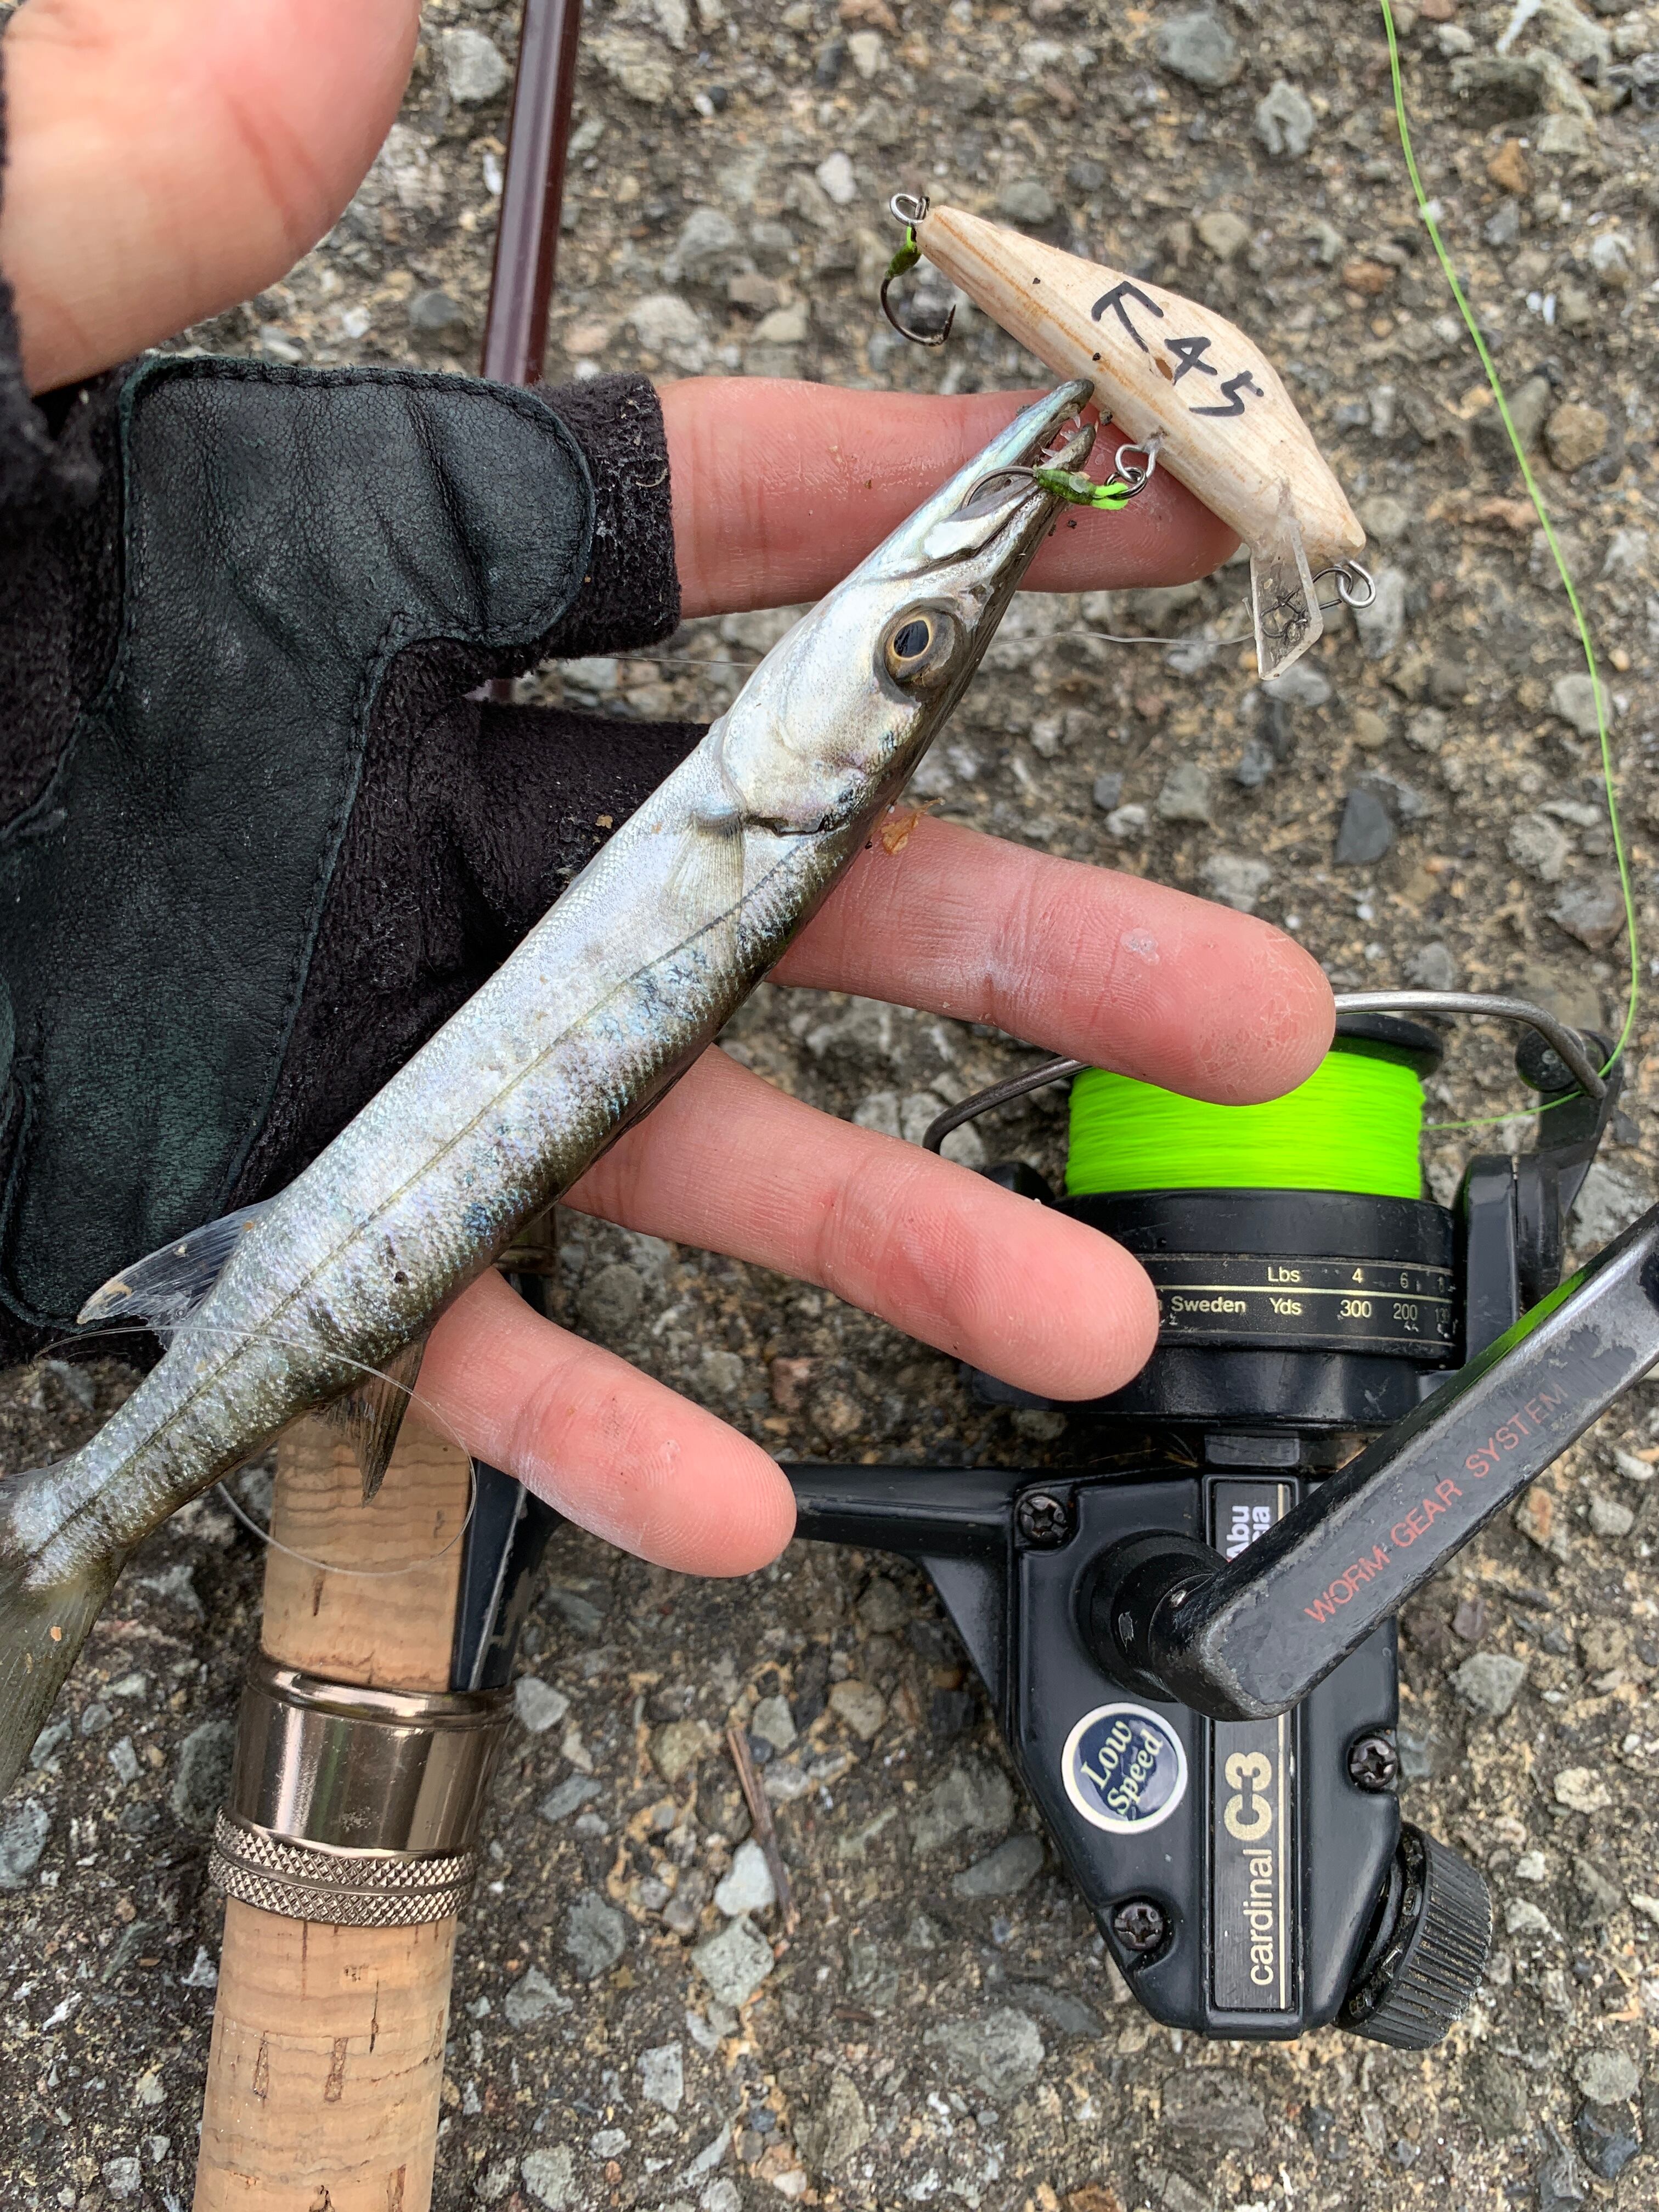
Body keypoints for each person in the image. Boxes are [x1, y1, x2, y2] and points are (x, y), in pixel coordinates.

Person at [0, 0, 1331, 1577]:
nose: (894, 626)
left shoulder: (781, 823)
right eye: (914, 645)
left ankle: (63, 1539)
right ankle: (62, 1534)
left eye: (900, 651)